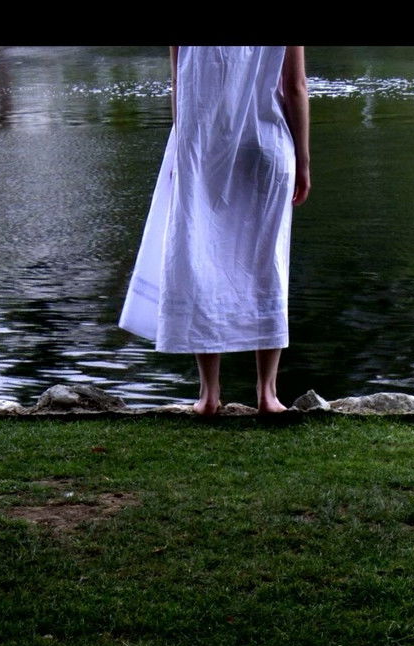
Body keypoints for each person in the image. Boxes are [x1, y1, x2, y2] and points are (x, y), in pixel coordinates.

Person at [118, 46, 311, 416]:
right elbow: (294, 87)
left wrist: (180, 150)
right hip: (266, 147)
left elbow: (180, 84)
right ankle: (268, 394)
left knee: (199, 259)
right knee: (266, 265)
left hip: (202, 149)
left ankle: (208, 395)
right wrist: (303, 161)